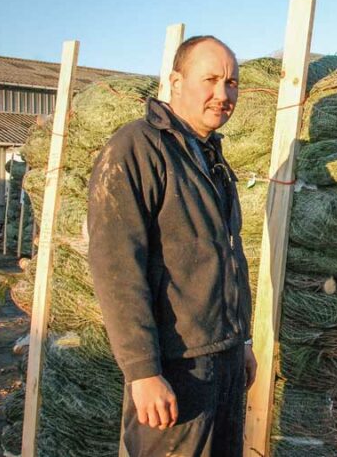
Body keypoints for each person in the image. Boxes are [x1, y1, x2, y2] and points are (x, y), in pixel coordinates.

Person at [88, 35, 256, 456]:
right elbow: (116, 267)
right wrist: (142, 372)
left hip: (225, 358)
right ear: (176, 81)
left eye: (232, 83)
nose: (223, 94)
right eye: (211, 80)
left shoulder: (211, 155)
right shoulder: (138, 148)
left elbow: (226, 255)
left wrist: (243, 342)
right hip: (177, 365)